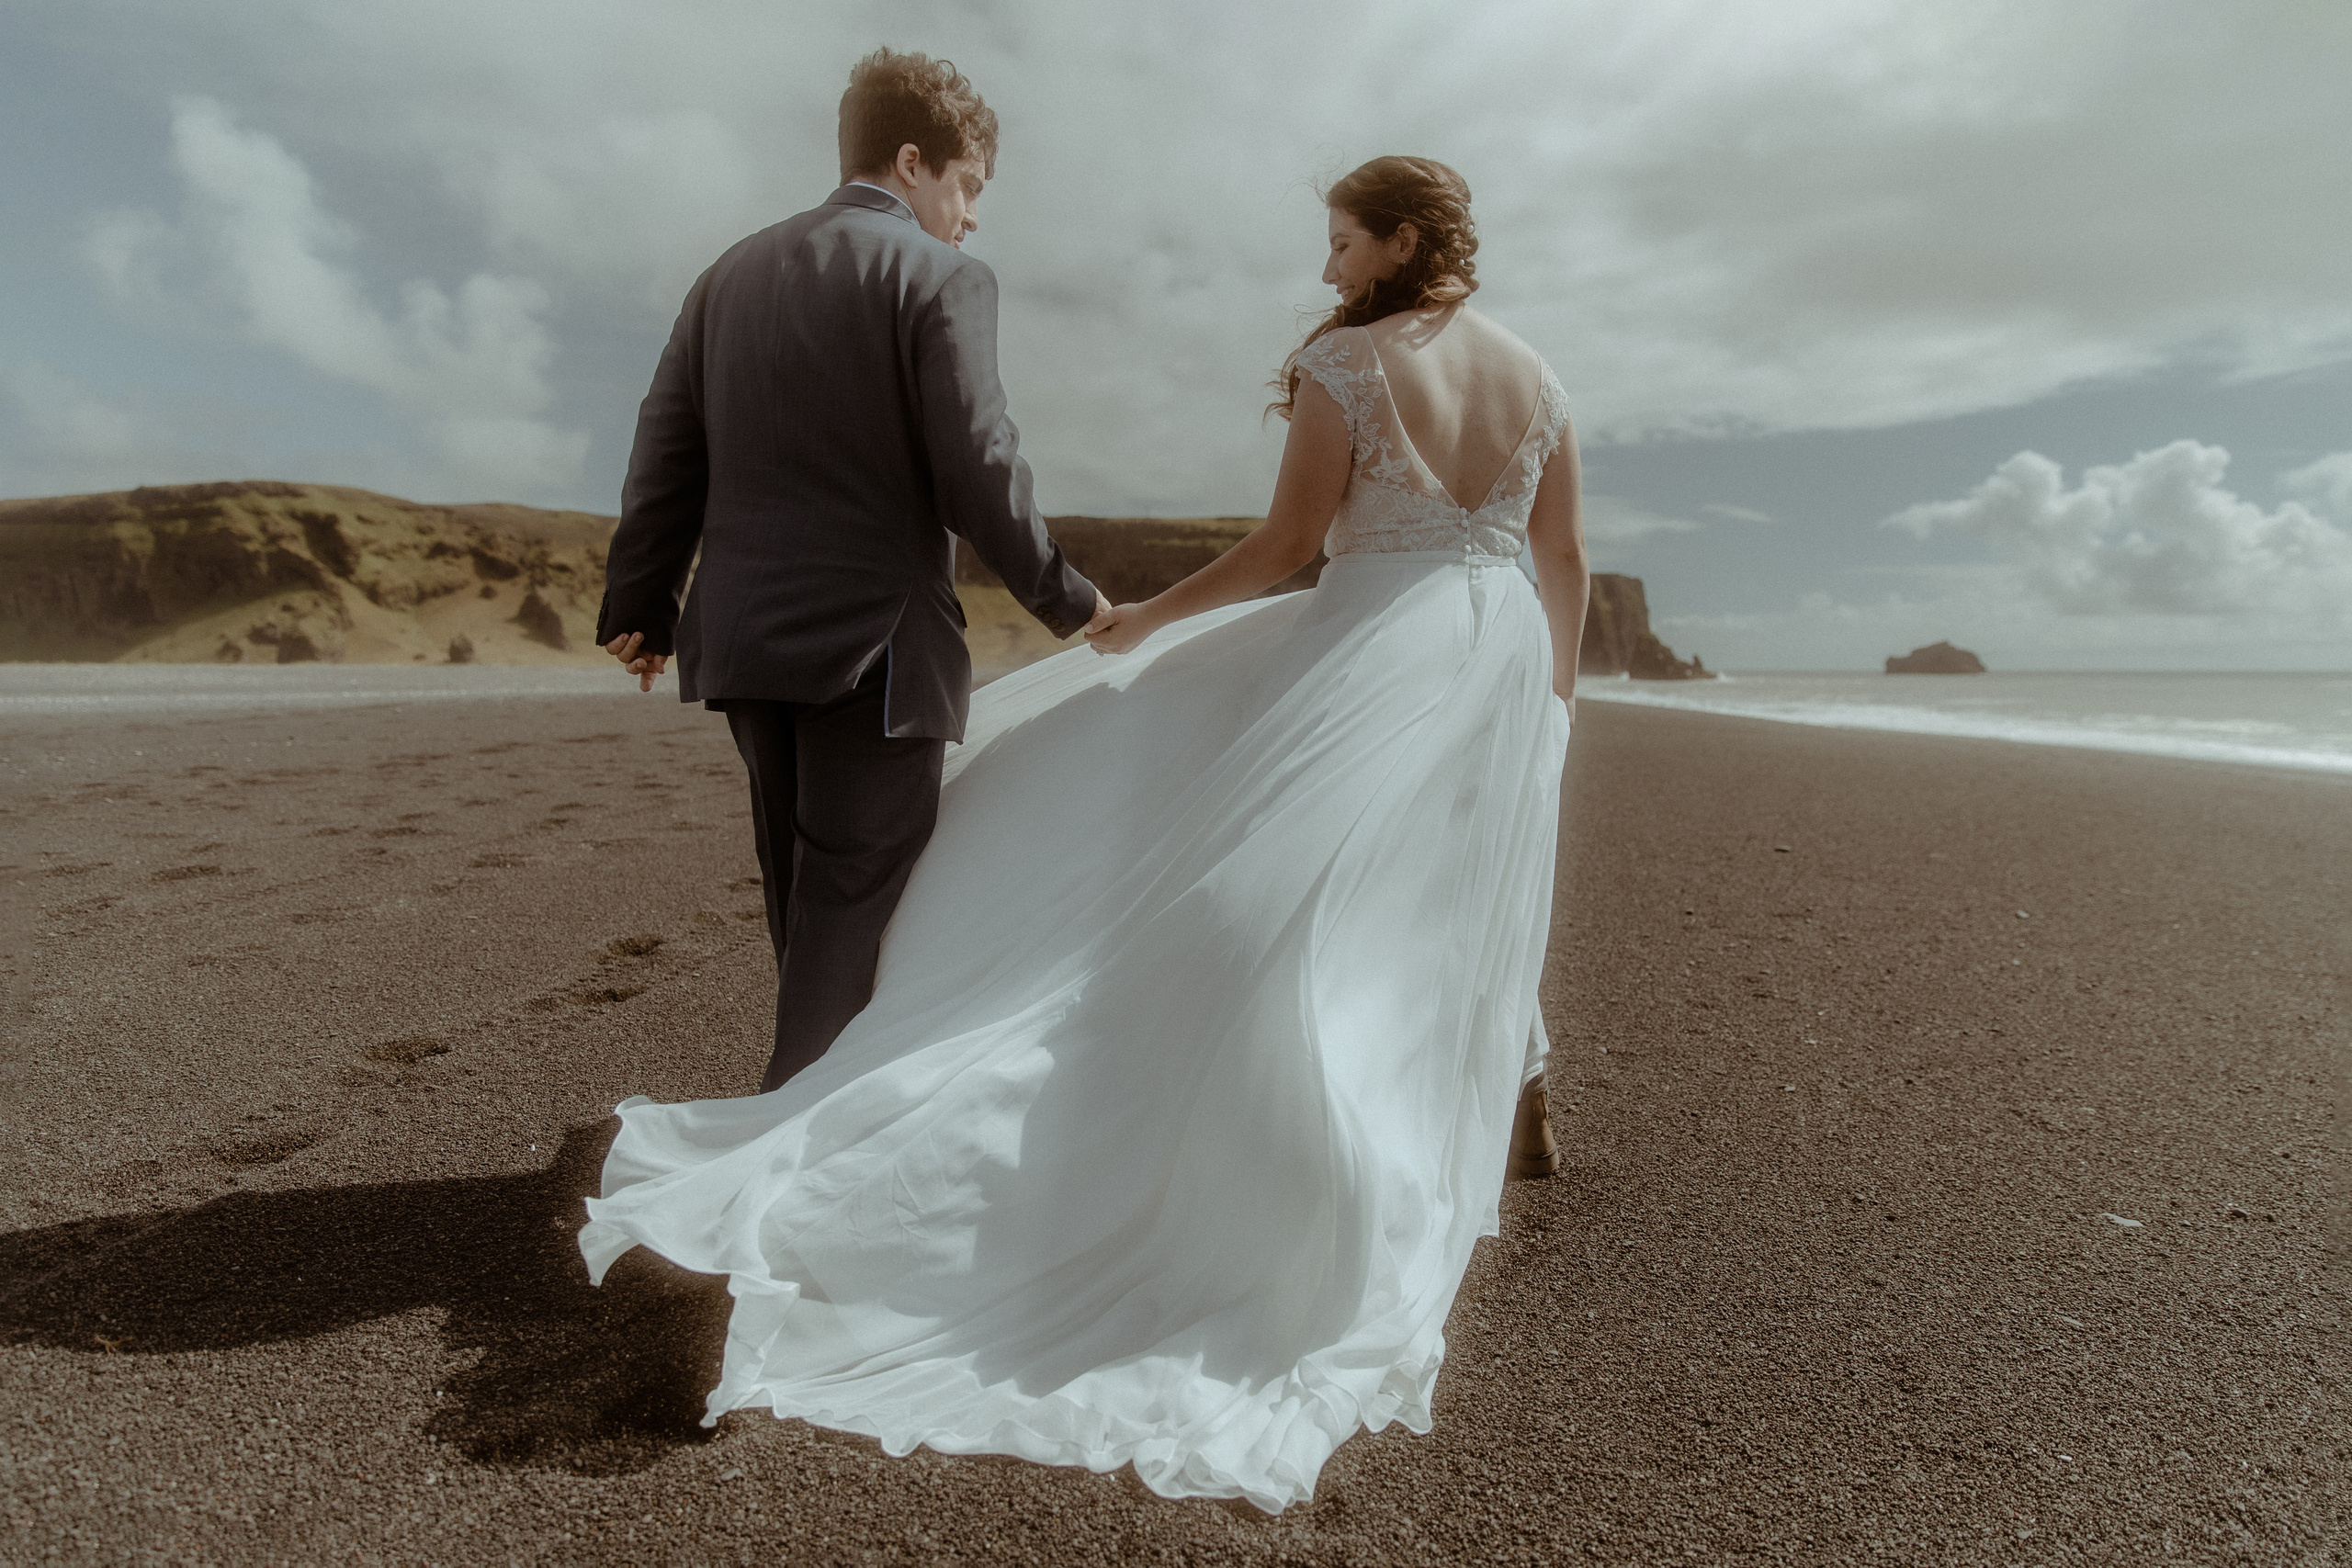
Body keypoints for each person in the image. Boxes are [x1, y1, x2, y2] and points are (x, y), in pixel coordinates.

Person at [581, 148, 1588, 1514]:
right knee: (1444, 899)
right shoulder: (1540, 377)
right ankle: (1494, 1105)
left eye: (1345, 245)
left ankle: (1277, 1157)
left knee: (1282, 894)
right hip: (1501, 660)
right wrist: (1556, 699)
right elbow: (1563, 559)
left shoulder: (1347, 370)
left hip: (1372, 648)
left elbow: (1292, 543)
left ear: (1403, 243)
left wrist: (1151, 621)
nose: (1329, 269)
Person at [594, 47, 1112, 1095]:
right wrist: (1074, 601)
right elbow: (980, 463)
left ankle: (806, 1133)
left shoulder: (725, 274)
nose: (971, 217)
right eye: (968, 187)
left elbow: (667, 450)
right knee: (852, 912)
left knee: (805, 902)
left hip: (742, 642)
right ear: (914, 162)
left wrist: (642, 604)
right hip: (872, 657)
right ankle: (783, 1159)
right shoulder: (942, 276)